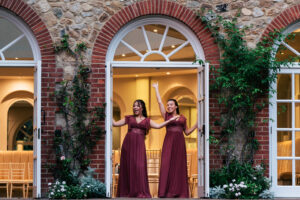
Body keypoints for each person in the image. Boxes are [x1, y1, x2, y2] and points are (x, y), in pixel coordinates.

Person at [113, 99, 179, 198]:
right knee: (128, 167)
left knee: (139, 167)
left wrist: (169, 120)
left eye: (137, 106)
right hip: (128, 145)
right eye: (134, 106)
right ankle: (127, 191)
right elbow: (115, 124)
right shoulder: (129, 118)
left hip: (139, 146)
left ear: (142, 108)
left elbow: (158, 126)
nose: (135, 107)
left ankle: (139, 192)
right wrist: (108, 110)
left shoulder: (147, 120)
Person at [153, 82, 198, 198]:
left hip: (180, 143)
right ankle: (165, 192)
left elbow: (187, 132)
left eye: (171, 104)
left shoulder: (183, 118)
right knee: (166, 165)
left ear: (176, 106)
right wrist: (156, 89)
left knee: (178, 167)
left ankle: (179, 192)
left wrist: (197, 125)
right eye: (167, 105)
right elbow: (159, 103)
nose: (168, 106)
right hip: (168, 142)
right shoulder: (166, 116)